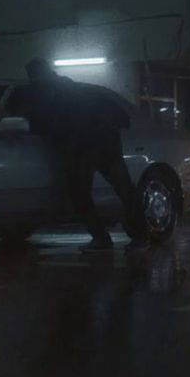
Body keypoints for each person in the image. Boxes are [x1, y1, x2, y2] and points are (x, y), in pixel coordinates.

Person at [17, 57, 147, 253]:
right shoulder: (69, 87)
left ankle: (103, 238)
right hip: (105, 143)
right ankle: (139, 236)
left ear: (36, 76)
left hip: (84, 147)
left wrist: (23, 118)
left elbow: (49, 118)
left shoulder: (51, 92)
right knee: (123, 189)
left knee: (79, 192)